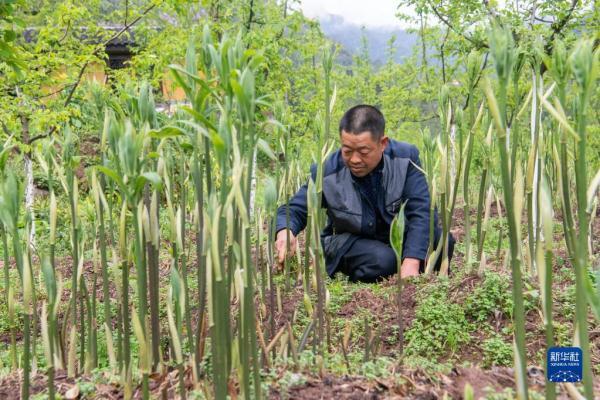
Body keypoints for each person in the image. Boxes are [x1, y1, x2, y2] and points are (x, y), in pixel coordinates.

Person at [275, 105, 454, 283]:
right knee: (384, 261)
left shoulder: (405, 159)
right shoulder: (326, 171)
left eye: (363, 152)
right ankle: (368, 272)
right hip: (350, 243)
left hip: (393, 238)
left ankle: (405, 269)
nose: (354, 159)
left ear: (383, 143)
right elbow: (293, 209)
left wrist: (412, 261)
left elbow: (421, 211)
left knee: (442, 242)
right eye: (347, 151)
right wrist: (285, 231)